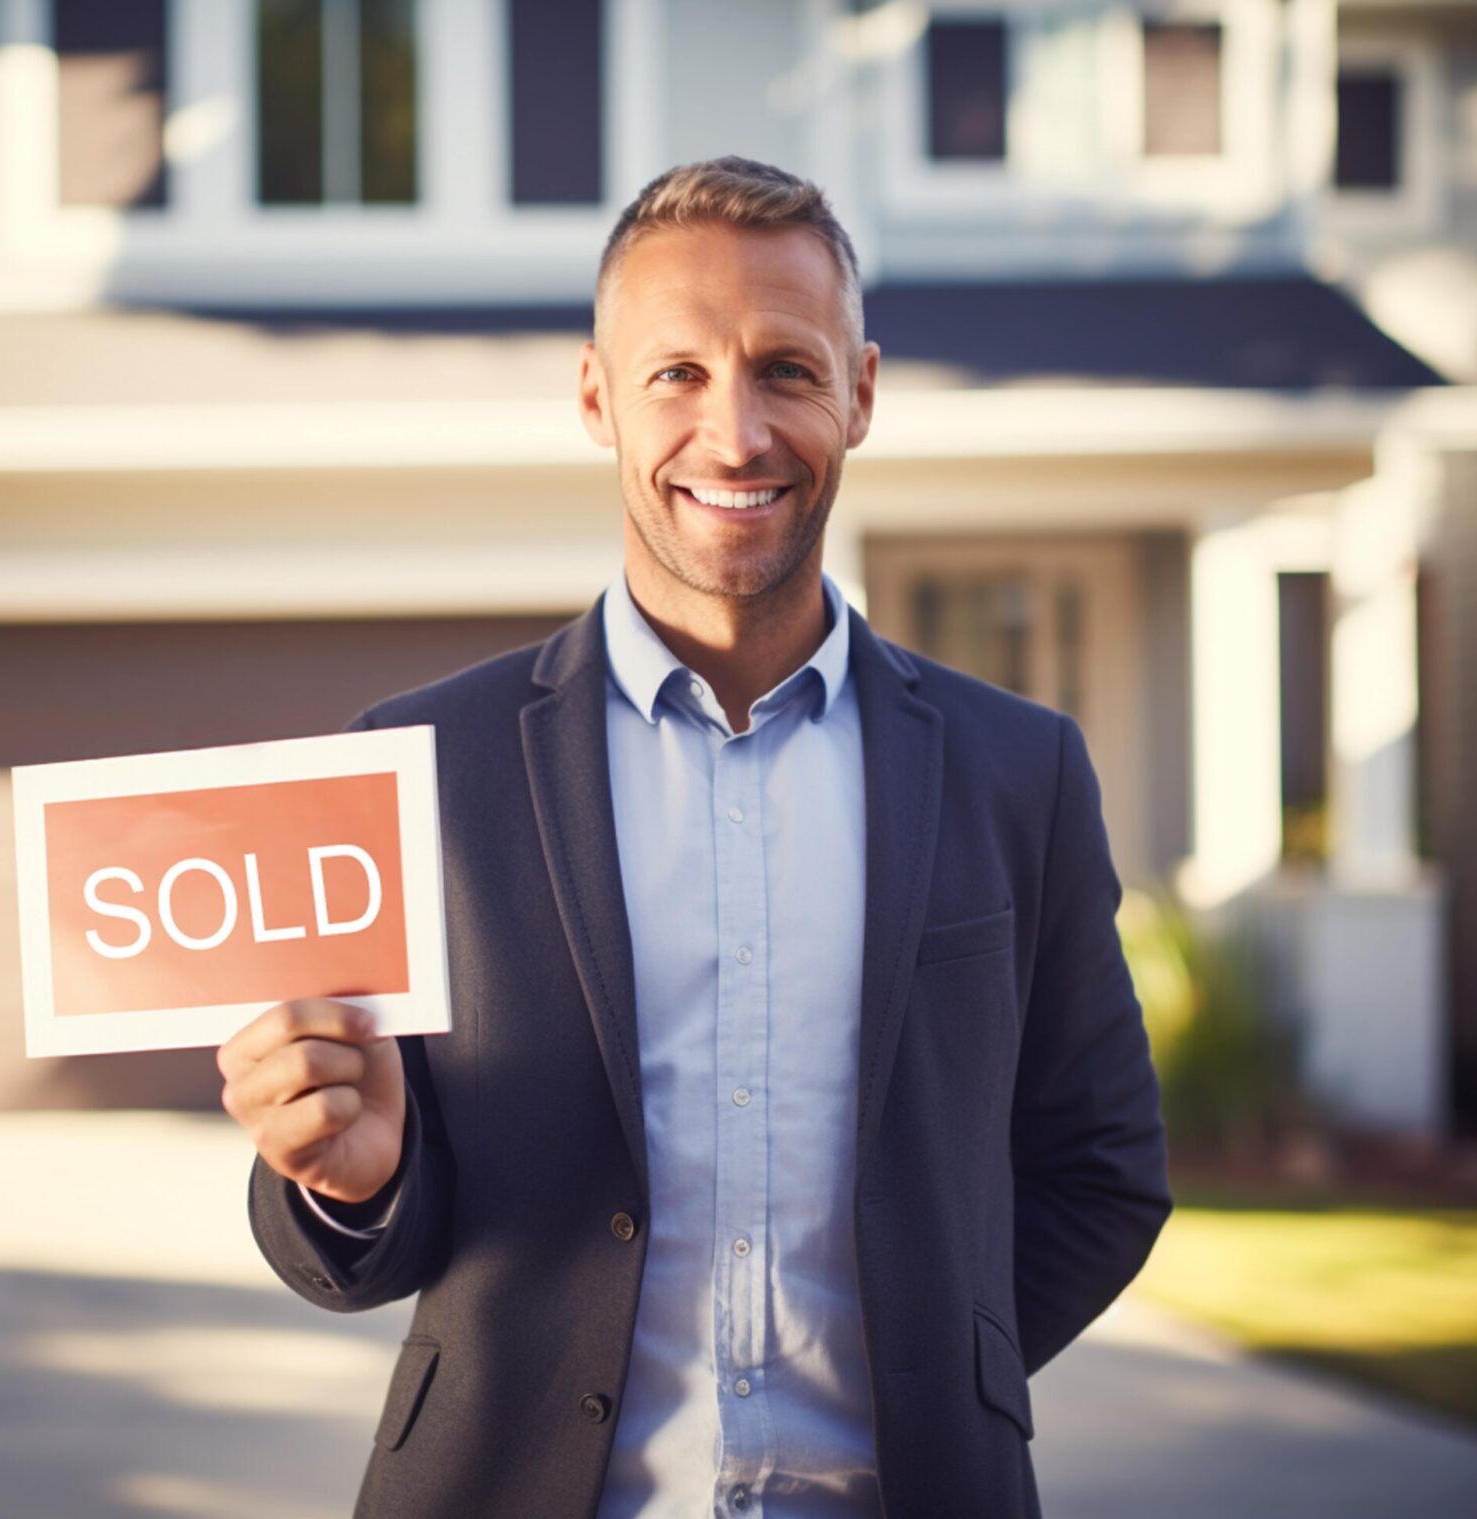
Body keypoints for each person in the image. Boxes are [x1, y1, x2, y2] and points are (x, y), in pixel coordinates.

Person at [217, 155, 1172, 1519]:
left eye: (787, 369)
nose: (735, 436)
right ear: (599, 398)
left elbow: (1103, 1173)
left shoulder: (1019, 771)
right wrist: (351, 1180)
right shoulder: (417, 765)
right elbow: (361, 1242)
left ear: (862, 394)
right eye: (677, 375)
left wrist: (936, 1366)